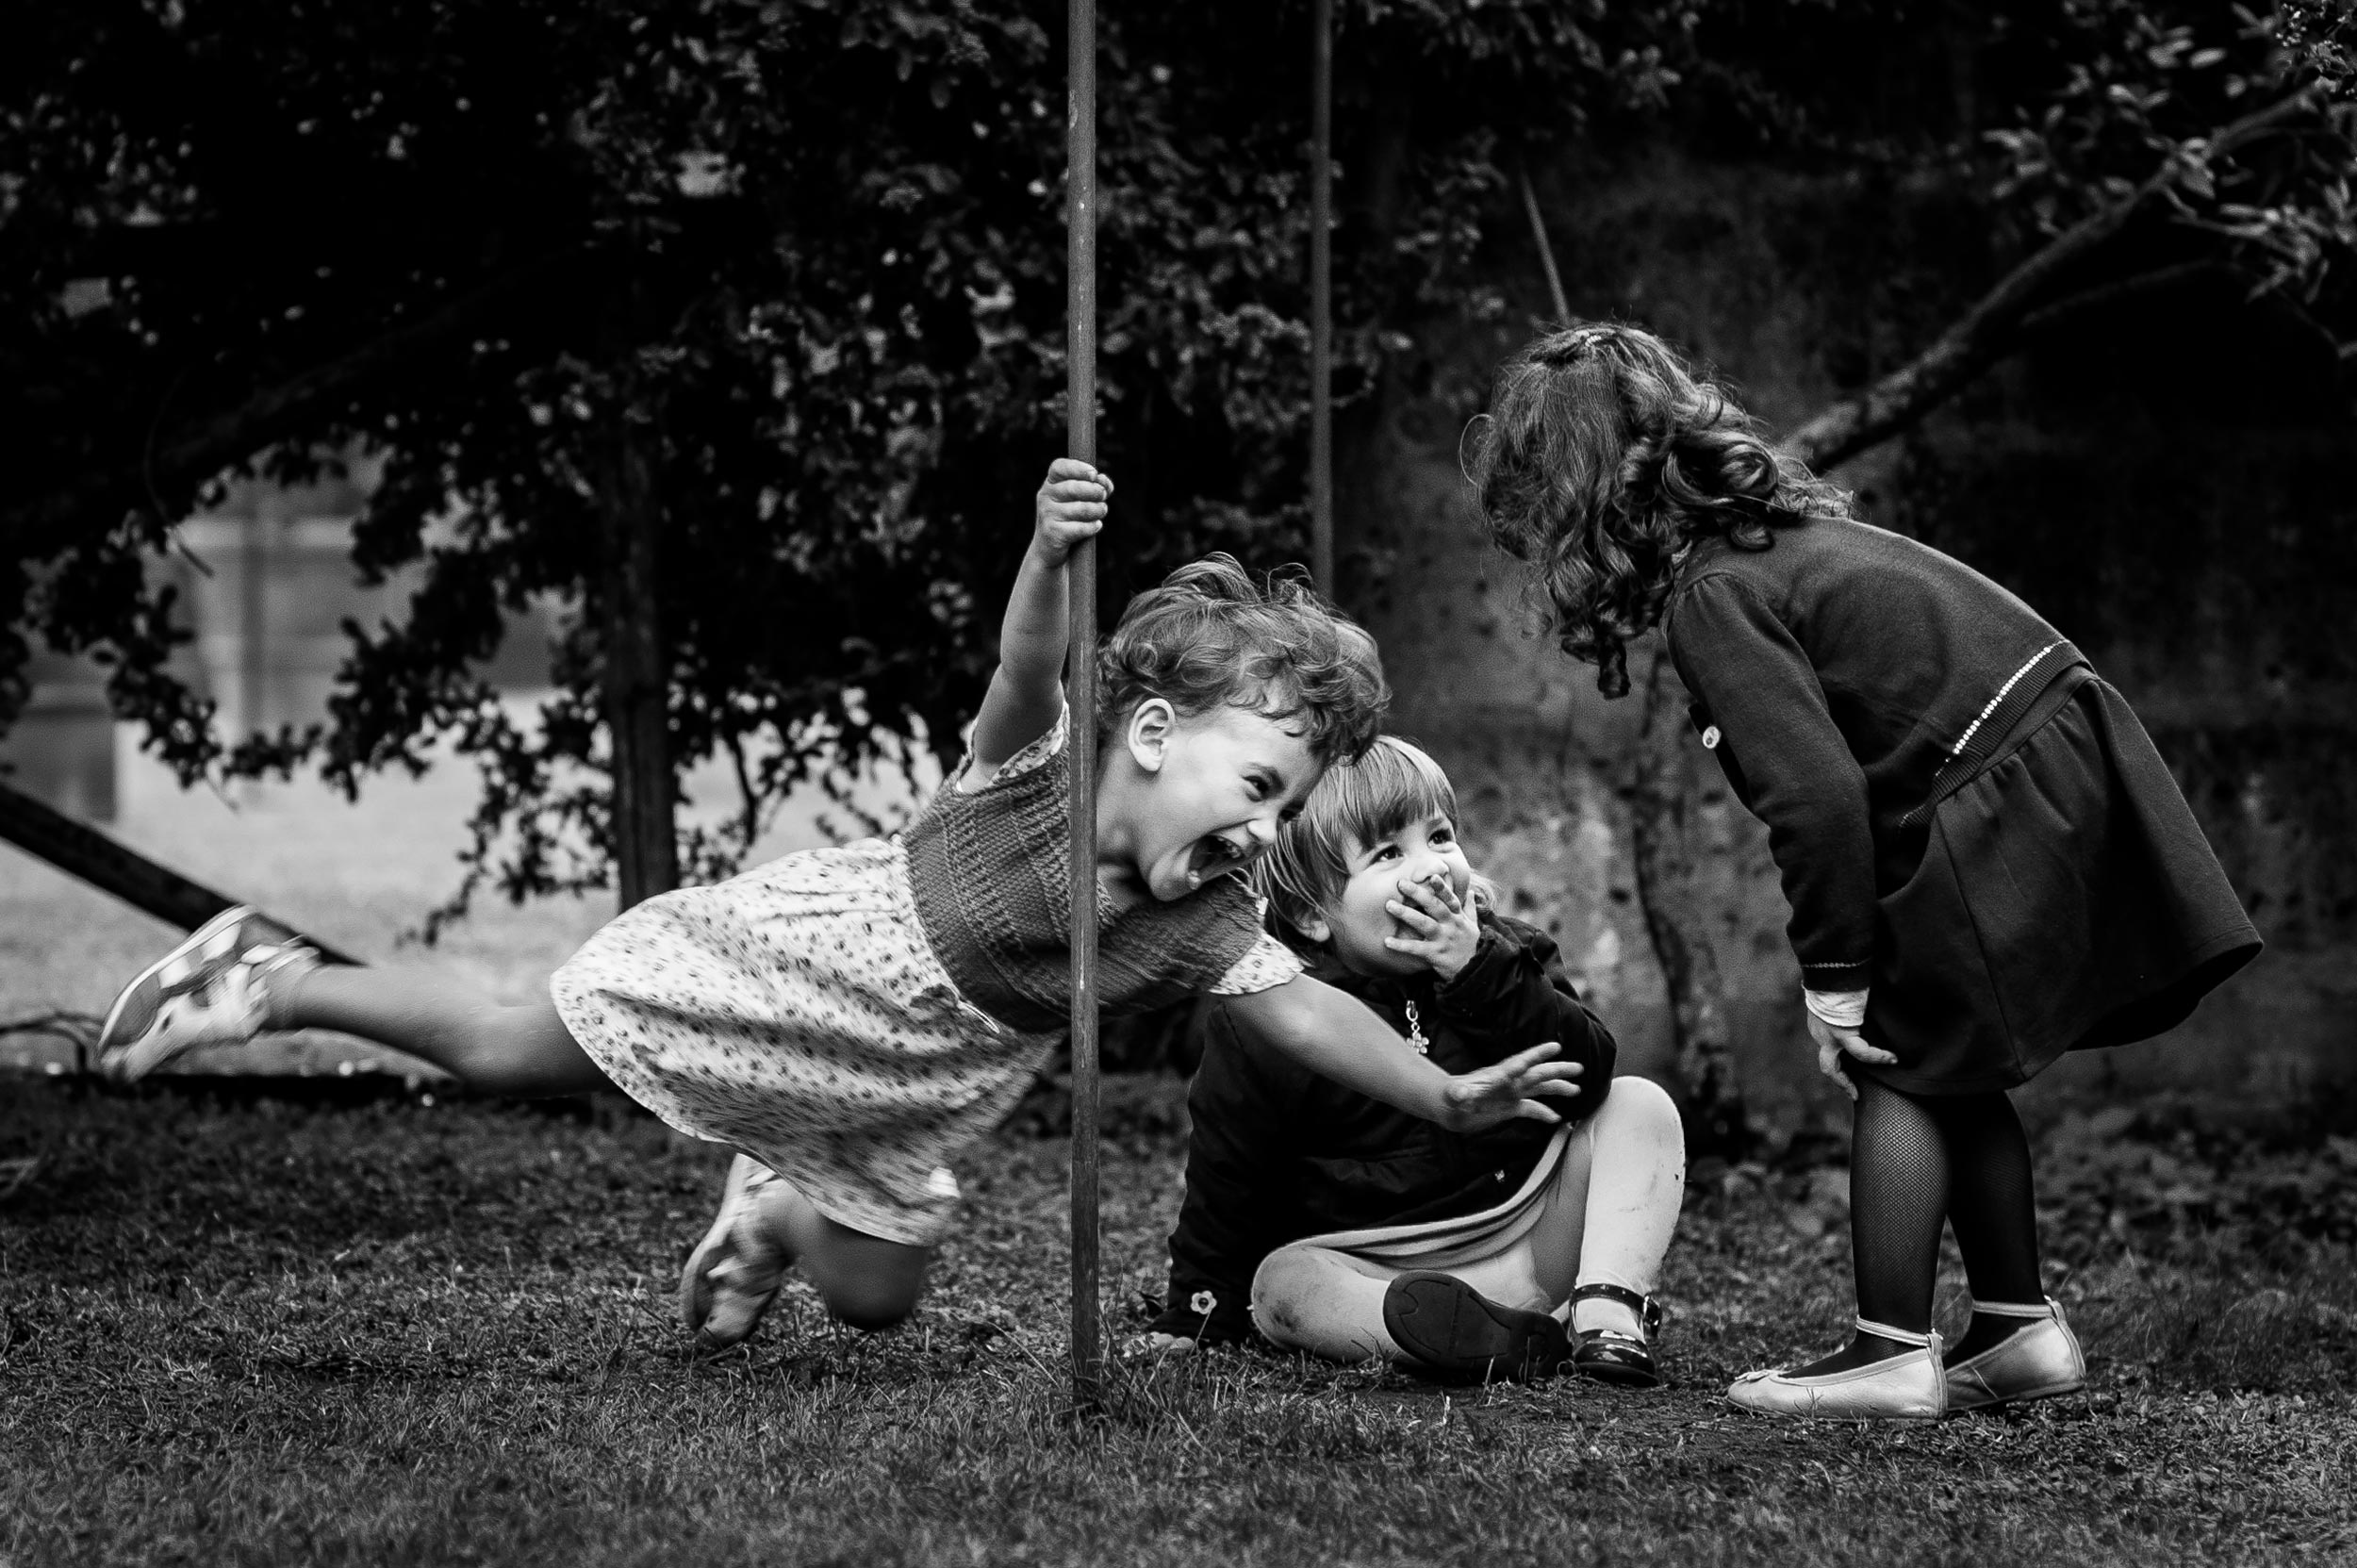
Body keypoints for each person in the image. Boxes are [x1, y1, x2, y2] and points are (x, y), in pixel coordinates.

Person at [96, 459, 1588, 1336]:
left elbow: (1308, 1011)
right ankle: (262, 976)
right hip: (810, 967)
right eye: (1257, 783)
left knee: (874, 1301)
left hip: (925, 1079)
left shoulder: (1203, 918)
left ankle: (771, 1212)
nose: (1263, 828)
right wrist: (1047, 552)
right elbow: (1023, 664)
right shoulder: (1044, 766)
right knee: (509, 1046)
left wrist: (1443, 1093)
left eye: (1286, 803)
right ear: (1151, 734)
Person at [1463, 324, 2262, 1420]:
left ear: (1582, 497)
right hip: (2042, 753)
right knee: (1946, 1051)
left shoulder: (1713, 598)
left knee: (1895, 1051)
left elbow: (1818, 801)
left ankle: (1888, 1351)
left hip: (1994, 782)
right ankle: (2016, 1332)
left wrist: (1835, 980)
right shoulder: (1773, 547)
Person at [1141, 736, 1686, 1386]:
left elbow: (1587, 1077)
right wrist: (1198, 1311)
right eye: (1388, 853)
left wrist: (1481, 975)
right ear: (1313, 914)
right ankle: (1466, 1334)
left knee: (1638, 1104)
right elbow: (1228, 1168)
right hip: (1378, 1262)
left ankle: (1606, 1310)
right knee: (1282, 1285)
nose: (1431, 867)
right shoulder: (1274, 1016)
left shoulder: (1510, 956)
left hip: (1530, 1234)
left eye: (1440, 836)